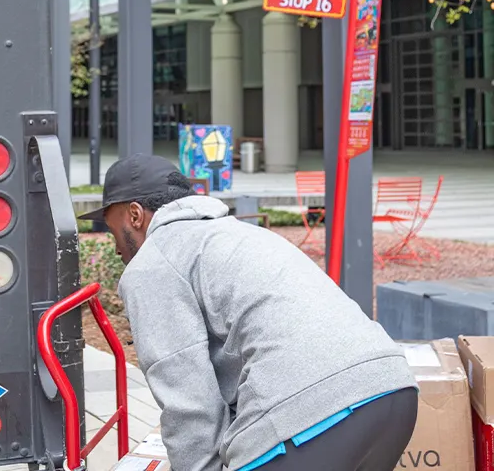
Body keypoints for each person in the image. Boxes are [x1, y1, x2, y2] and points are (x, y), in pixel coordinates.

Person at [78, 154, 418, 471]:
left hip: (315, 416)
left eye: (113, 232)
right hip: (393, 392)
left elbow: (190, 406)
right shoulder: (238, 233)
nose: (117, 249)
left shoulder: (153, 263)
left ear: (135, 215)